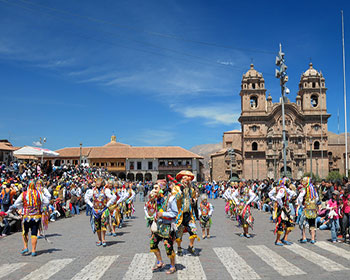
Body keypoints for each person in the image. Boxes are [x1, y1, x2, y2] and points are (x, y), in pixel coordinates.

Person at [10, 180, 49, 256]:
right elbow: (46, 201)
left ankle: (25, 247)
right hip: (36, 216)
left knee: (25, 232)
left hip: (26, 217)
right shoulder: (39, 193)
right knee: (34, 233)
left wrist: (22, 208)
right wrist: (41, 208)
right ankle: (33, 250)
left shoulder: (23, 194)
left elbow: (16, 203)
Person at [150, 181, 179, 275]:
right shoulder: (157, 199)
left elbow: (175, 213)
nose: (154, 190)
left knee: (168, 247)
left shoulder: (171, 199)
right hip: (159, 225)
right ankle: (160, 262)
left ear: (161, 189)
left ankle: (172, 266)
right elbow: (155, 210)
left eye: (156, 188)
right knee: (153, 244)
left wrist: (163, 214)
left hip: (167, 226)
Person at [84, 178, 116, 247]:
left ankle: (103, 239)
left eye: (99, 182)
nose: (98, 183)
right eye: (97, 182)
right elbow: (86, 198)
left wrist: (108, 204)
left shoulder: (106, 190)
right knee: (97, 225)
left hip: (103, 209)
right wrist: (91, 205)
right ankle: (99, 239)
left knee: (103, 224)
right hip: (95, 210)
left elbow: (114, 197)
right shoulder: (92, 190)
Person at [174, 170, 199, 256]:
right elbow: (175, 198)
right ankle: (179, 247)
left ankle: (190, 246)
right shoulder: (176, 188)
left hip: (189, 214)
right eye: (184, 178)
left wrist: (194, 201)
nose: (186, 180)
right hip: (179, 215)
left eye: (188, 179)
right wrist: (181, 191)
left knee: (193, 231)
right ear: (181, 180)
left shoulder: (191, 190)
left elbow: (194, 199)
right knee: (179, 233)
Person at [269, 177, 296, 246]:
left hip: (286, 209)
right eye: (288, 183)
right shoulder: (282, 189)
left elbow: (292, 193)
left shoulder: (284, 189)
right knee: (281, 224)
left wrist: (290, 196)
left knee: (289, 224)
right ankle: (277, 240)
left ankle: (285, 238)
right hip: (282, 210)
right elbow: (278, 197)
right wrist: (281, 204)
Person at [297, 177, 319, 244]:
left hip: (306, 208)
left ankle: (304, 237)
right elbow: (317, 198)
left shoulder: (305, 188)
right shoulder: (313, 189)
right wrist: (313, 203)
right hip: (313, 208)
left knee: (302, 223)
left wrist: (301, 204)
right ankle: (312, 238)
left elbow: (300, 197)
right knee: (312, 223)